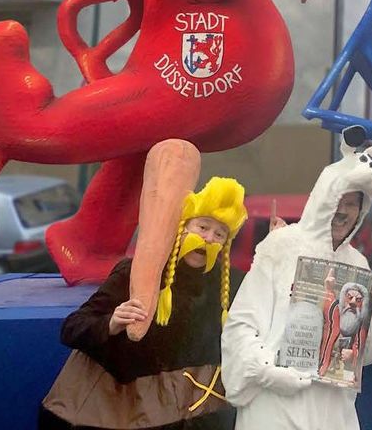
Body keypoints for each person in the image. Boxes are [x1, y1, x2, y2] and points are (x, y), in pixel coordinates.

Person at [221, 128, 372, 430]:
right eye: (339, 200)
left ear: (362, 209)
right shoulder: (281, 246)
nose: (343, 212)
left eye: (353, 204)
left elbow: (367, 352)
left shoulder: (356, 263)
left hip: (332, 411)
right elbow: (240, 325)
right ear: (323, 199)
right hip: (277, 405)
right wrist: (267, 370)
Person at [39, 176, 248, 430]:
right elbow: (72, 328)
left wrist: (278, 246)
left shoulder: (229, 284)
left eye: (220, 234)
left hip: (194, 416)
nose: (208, 238)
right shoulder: (135, 272)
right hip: (121, 413)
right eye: (202, 227)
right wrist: (111, 323)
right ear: (182, 227)